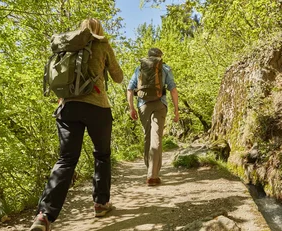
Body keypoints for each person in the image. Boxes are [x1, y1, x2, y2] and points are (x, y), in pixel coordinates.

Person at [29, 18, 123, 231]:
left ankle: (44, 216)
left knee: (66, 159)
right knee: (102, 155)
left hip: (68, 108)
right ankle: (101, 203)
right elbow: (118, 77)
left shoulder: (67, 46)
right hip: (98, 107)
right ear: (99, 30)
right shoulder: (102, 44)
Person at [127, 48, 179, 186]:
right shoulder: (165, 68)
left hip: (143, 105)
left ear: (148, 57)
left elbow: (130, 89)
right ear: (160, 57)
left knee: (147, 137)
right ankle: (153, 175)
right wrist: (176, 110)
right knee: (157, 137)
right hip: (160, 104)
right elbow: (173, 89)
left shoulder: (139, 69)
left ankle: (149, 170)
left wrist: (131, 108)